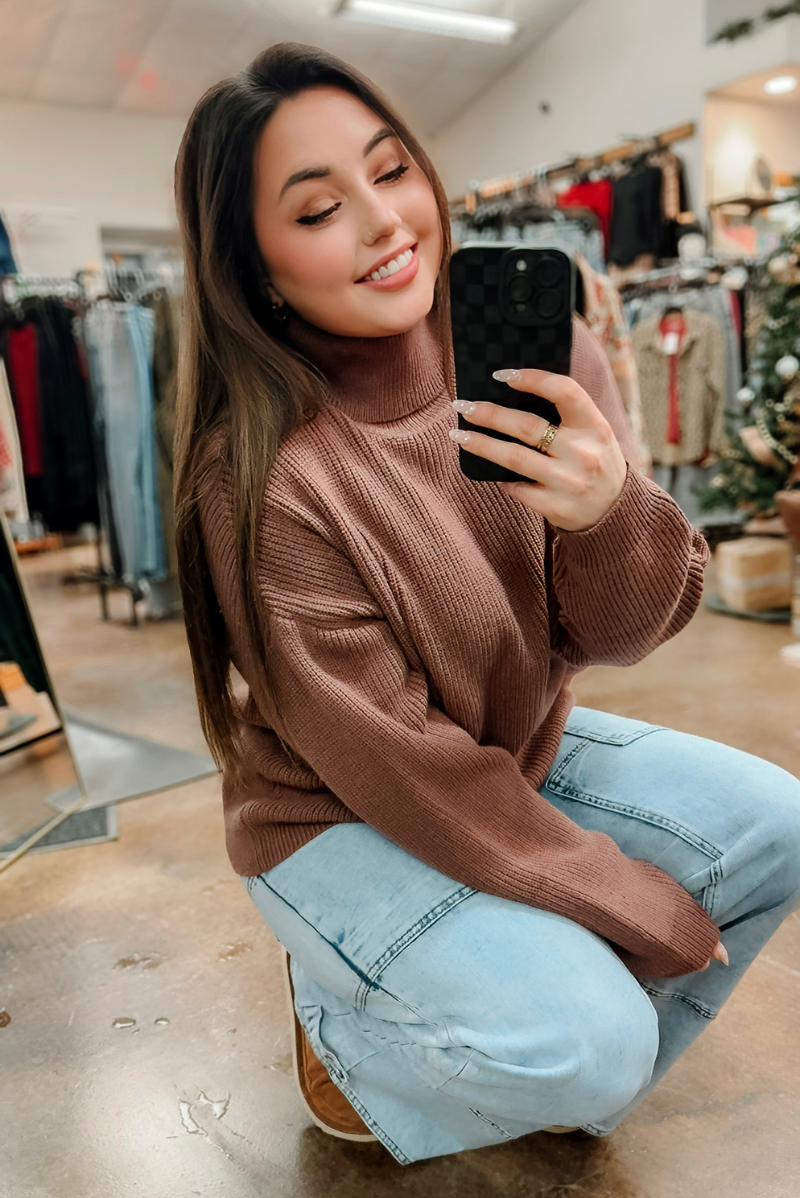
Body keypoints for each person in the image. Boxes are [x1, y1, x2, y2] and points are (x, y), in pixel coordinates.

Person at [172, 42, 800, 1166]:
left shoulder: (535, 355)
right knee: (590, 1035)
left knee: (777, 828)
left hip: (507, 750)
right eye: (319, 209)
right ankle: (348, 1042)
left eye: (390, 169)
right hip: (337, 808)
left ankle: (540, 1059)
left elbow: (619, 637)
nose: (384, 221)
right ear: (254, 268)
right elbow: (400, 762)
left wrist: (606, 514)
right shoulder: (263, 475)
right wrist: (616, 897)